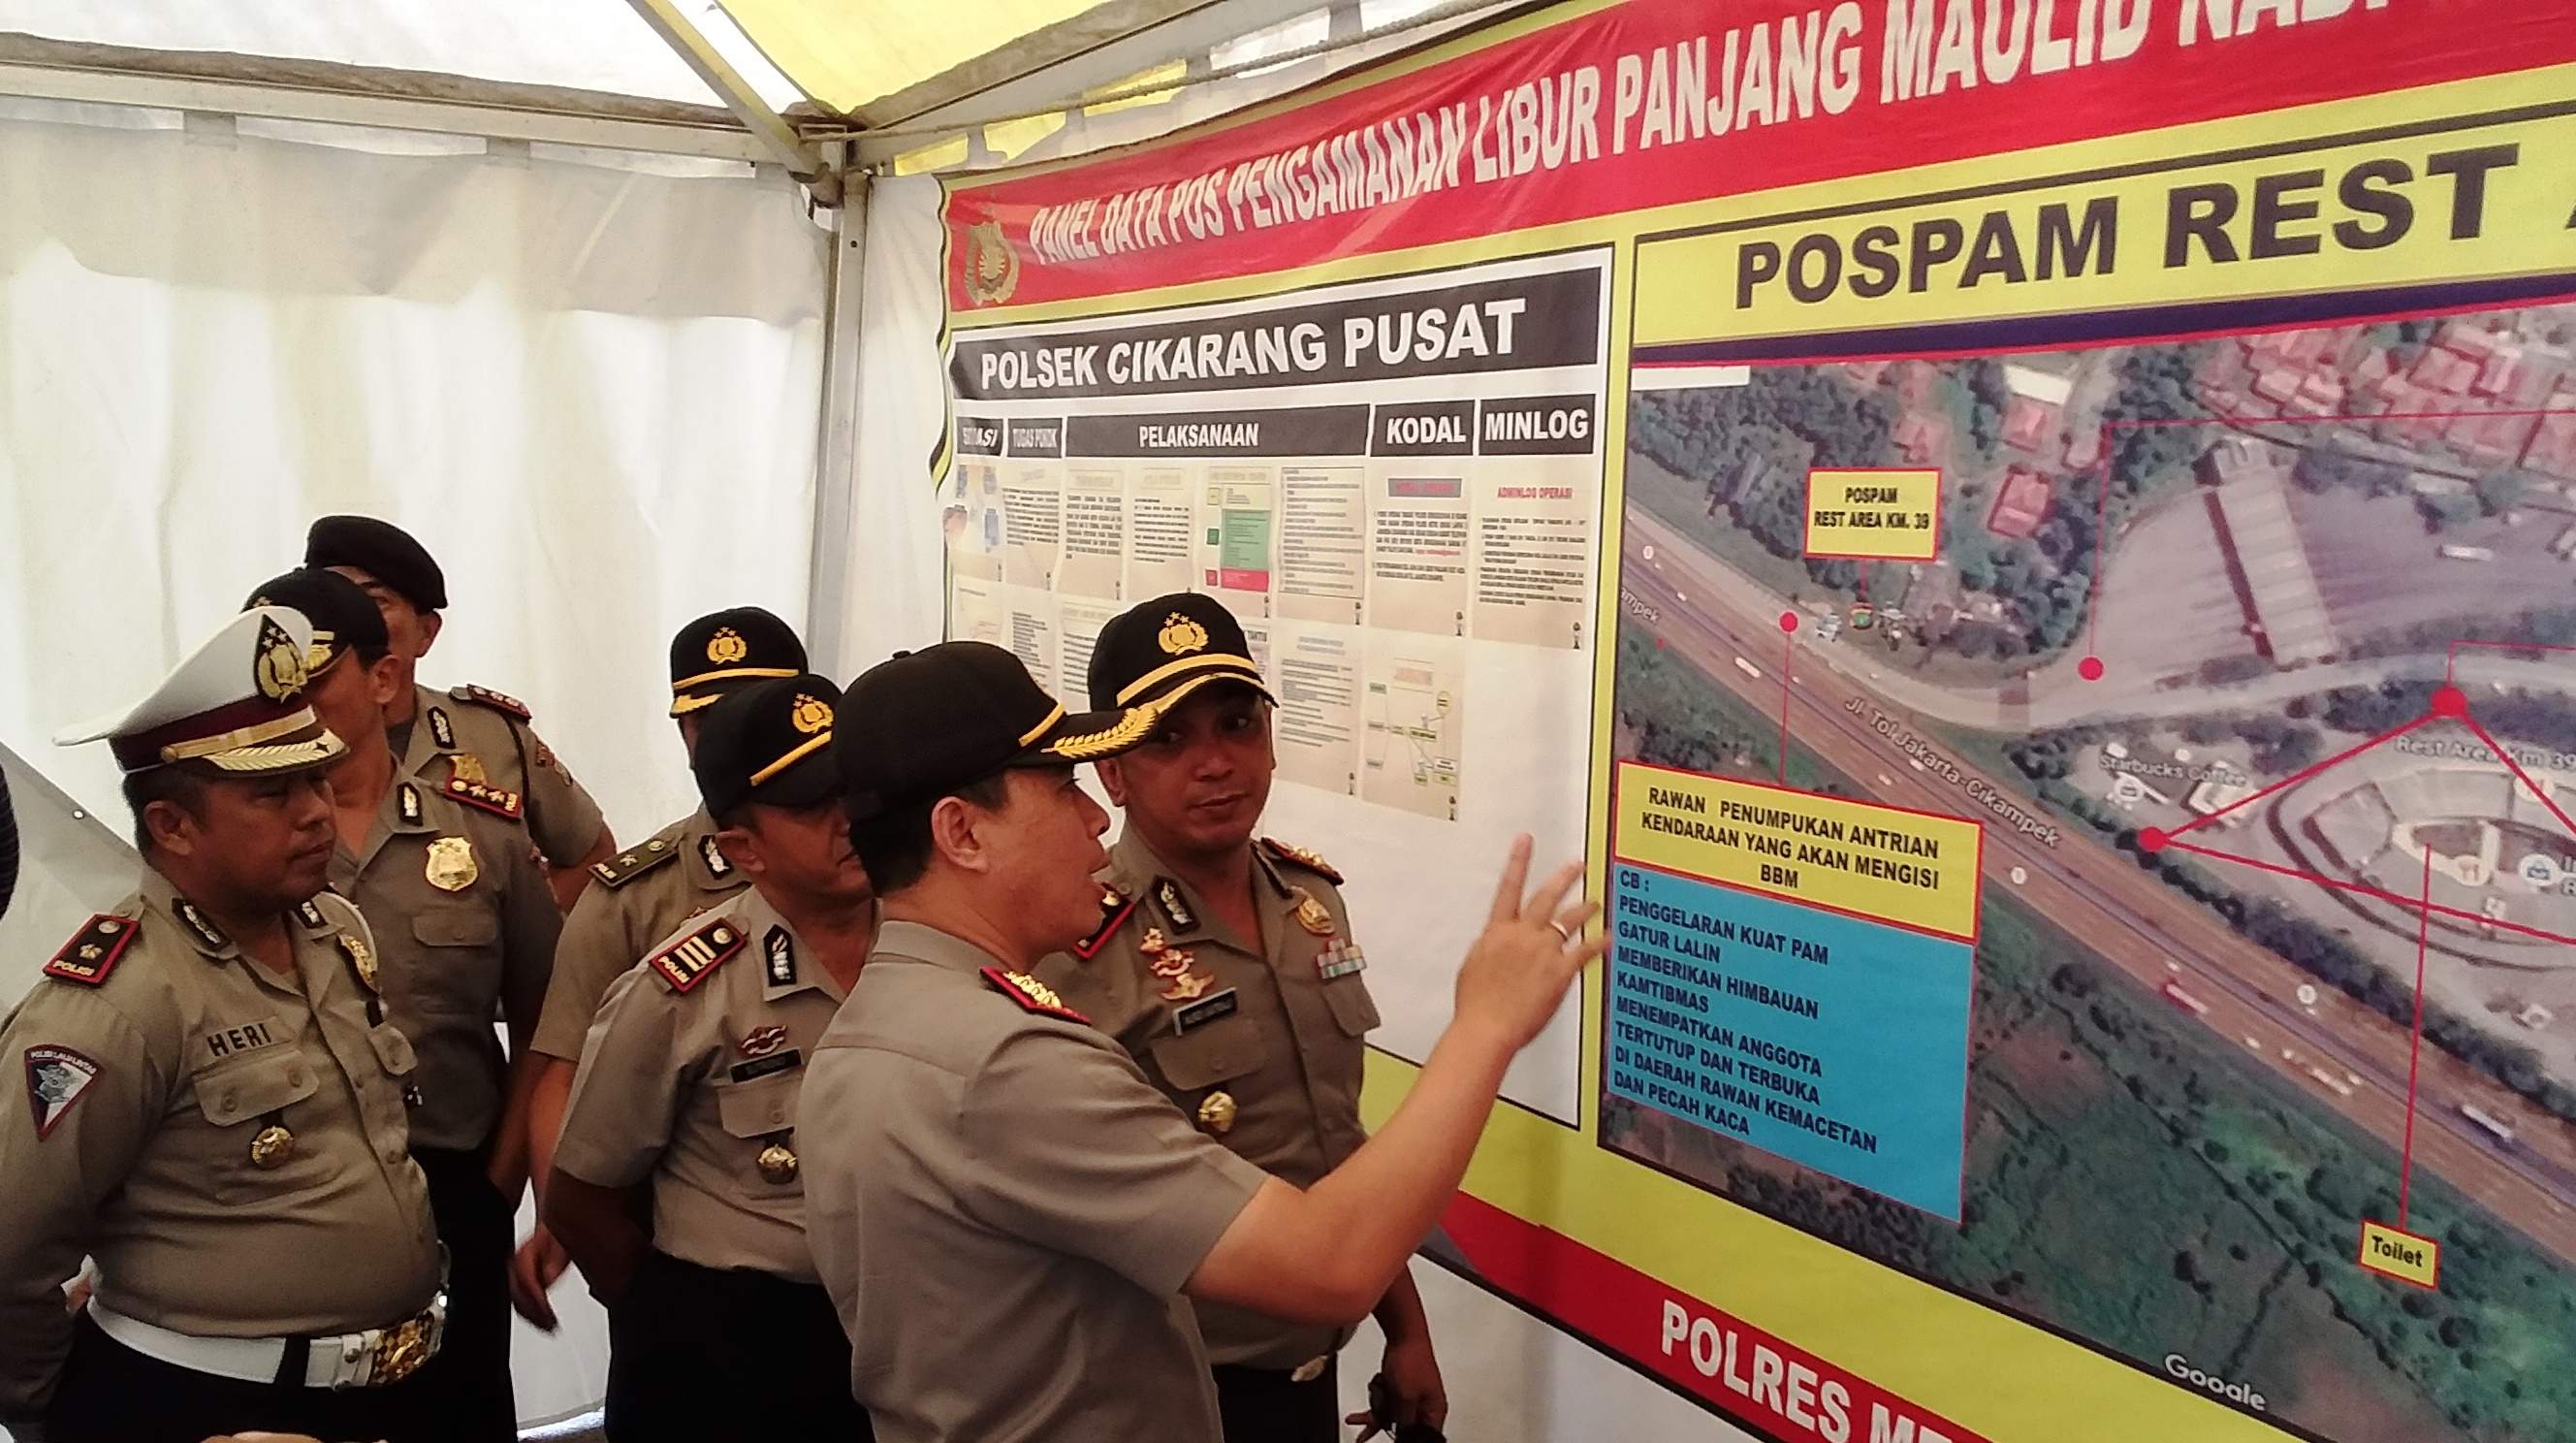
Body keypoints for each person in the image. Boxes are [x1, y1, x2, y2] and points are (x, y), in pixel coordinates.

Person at [800, 642, 1601, 1443]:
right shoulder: (1000, 1062)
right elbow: (1328, 1266)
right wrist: (1486, 1027)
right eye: (1062, 787)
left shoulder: (884, 1022)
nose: (1092, 820)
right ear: (961, 833)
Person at [0, 607, 448, 1443]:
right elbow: (10, 1248)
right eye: (273, 793)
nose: (317, 811)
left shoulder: (336, 934)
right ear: (172, 825)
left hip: (393, 1390)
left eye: (317, 777)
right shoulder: (118, 1001)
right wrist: (59, 1415)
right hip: (210, 1409)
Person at [1035, 593, 1443, 1443]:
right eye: (1167, 740)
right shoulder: (1076, 950)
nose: (1215, 763)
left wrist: (1404, 1328)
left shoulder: (1311, 904)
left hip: (1312, 1364)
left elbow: (1334, 1145)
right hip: (1169, 1391)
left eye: (1236, 724)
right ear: (1111, 771)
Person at [231, 569, 558, 1439]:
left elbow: (544, 1021)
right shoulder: (234, 848)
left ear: (381, 680)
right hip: (283, 1204)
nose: (285, 708)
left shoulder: (481, 830)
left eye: (307, 683)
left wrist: (501, 1188)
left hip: (451, 1180)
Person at [544, 674, 875, 1443]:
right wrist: (673, 1316)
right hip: (735, 1351)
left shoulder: (931, 949)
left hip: (903, 1323)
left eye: (852, 790)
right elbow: (580, 1200)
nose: (846, 819)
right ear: (742, 848)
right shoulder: (683, 989)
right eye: (809, 806)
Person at [509, 607, 803, 1324]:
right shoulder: (634, 897)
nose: (726, 739)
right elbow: (561, 1069)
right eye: (705, 723)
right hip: (691, 1257)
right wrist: (568, 1223)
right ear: (682, 735)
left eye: (752, 714)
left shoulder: (876, 866)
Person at [303, 514, 615, 910]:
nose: (352, 618)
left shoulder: (492, 736)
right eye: (333, 599)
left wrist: (516, 923)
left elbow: (590, 852)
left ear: (427, 633)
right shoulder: (277, 739)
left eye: (375, 601)